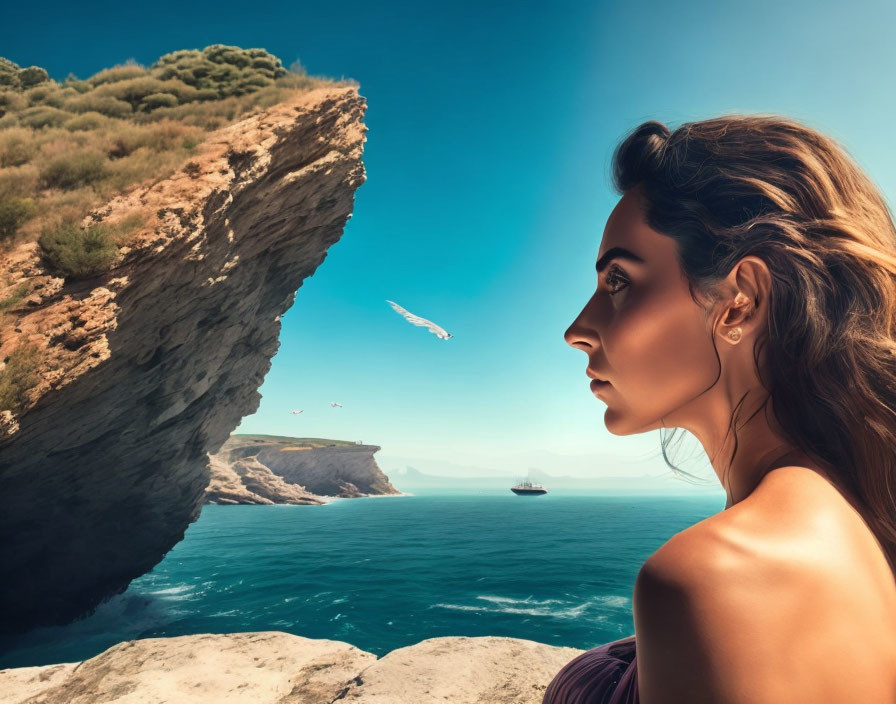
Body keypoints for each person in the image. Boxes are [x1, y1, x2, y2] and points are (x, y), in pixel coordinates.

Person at [545, 115, 896, 703]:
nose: (577, 330)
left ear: (739, 302)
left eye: (618, 281)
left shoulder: (715, 577)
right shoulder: (862, 519)